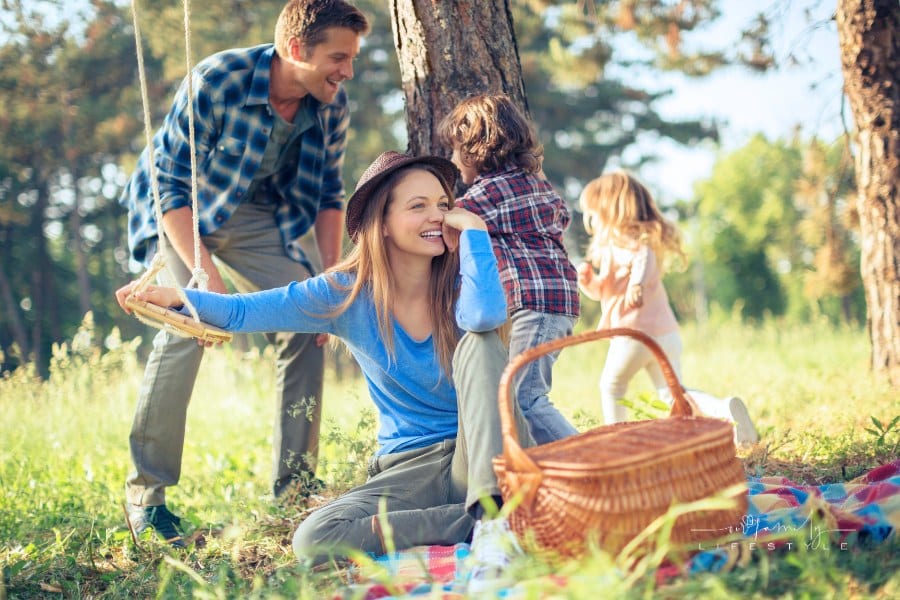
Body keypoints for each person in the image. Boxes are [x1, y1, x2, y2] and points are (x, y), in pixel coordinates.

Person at [116, 152, 535, 593]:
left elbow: (486, 317)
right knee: (314, 537)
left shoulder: (466, 281)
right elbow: (243, 311)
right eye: (419, 206)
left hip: (485, 453)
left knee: (481, 342)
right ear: (382, 222)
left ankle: (493, 520)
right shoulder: (345, 294)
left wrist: (475, 232)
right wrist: (178, 298)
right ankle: (486, 520)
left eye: (444, 204)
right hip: (411, 469)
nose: (438, 216)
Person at [119, 0, 370, 547]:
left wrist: (329, 279)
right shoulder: (218, 80)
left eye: (351, 58)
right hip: (182, 209)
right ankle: (146, 497)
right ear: (296, 49)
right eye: (338, 57)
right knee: (189, 320)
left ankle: (296, 488)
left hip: (255, 216)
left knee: (310, 320)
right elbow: (168, 184)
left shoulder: (331, 103)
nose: (347, 71)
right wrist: (204, 276)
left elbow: (330, 194)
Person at [437, 93, 580, 445]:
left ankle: (590, 462)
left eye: (455, 150)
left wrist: (441, 216)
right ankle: (544, 464)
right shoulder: (535, 183)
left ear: (475, 149)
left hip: (536, 306)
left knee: (523, 398)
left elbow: (451, 216)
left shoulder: (491, 191)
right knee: (519, 394)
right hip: (554, 304)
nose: (452, 160)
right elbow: (562, 215)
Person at [576, 171, 758, 446]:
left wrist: (637, 283)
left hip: (634, 335)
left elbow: (641, 257)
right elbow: (605, 290)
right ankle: (724, 410)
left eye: (593, 215)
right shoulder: (641, 241)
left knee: (612, 386)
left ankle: (617, 443)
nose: (592, 222)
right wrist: (589, 283)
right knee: (674, 394)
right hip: (666, 334)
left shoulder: (623, 243)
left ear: (609, 211)